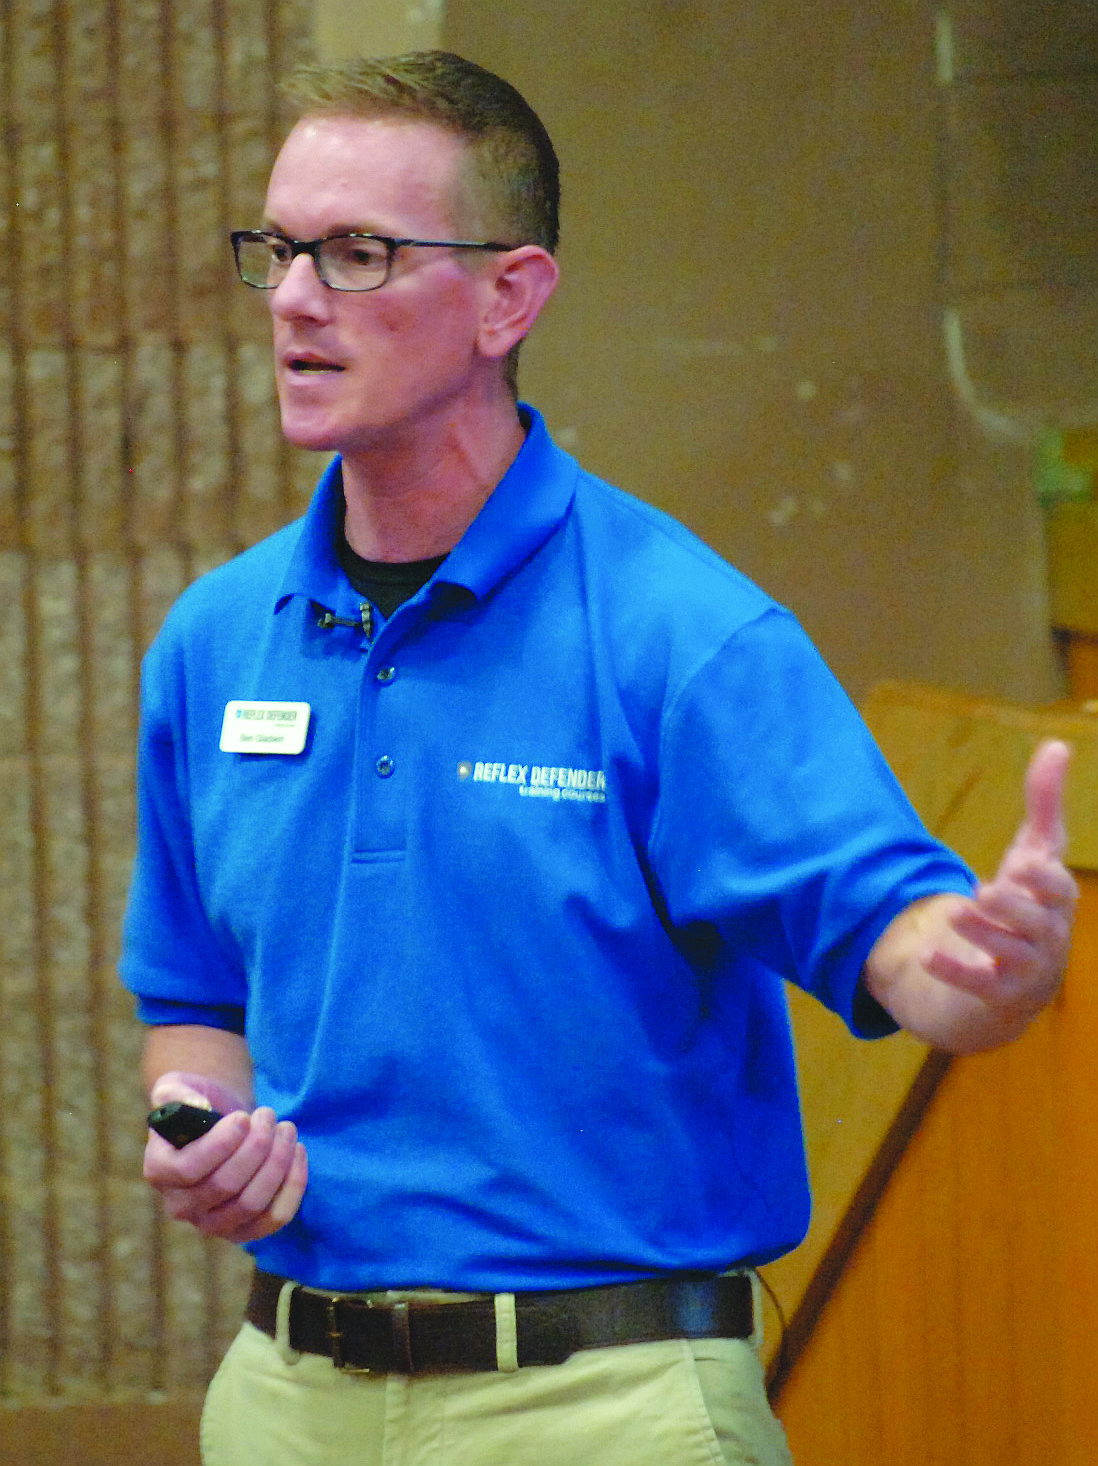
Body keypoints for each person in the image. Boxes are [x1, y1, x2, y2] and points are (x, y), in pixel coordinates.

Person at [120, 50, 1076, 1466]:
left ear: (509, 295)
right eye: (281, 250)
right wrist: (196, 1126)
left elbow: (898, 936)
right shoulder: (214, 641)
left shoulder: (679, 633)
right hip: (287, 1393)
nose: (299, 299)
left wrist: (988, 969)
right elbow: (191, 994)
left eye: (360, 252)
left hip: (602, 1403)